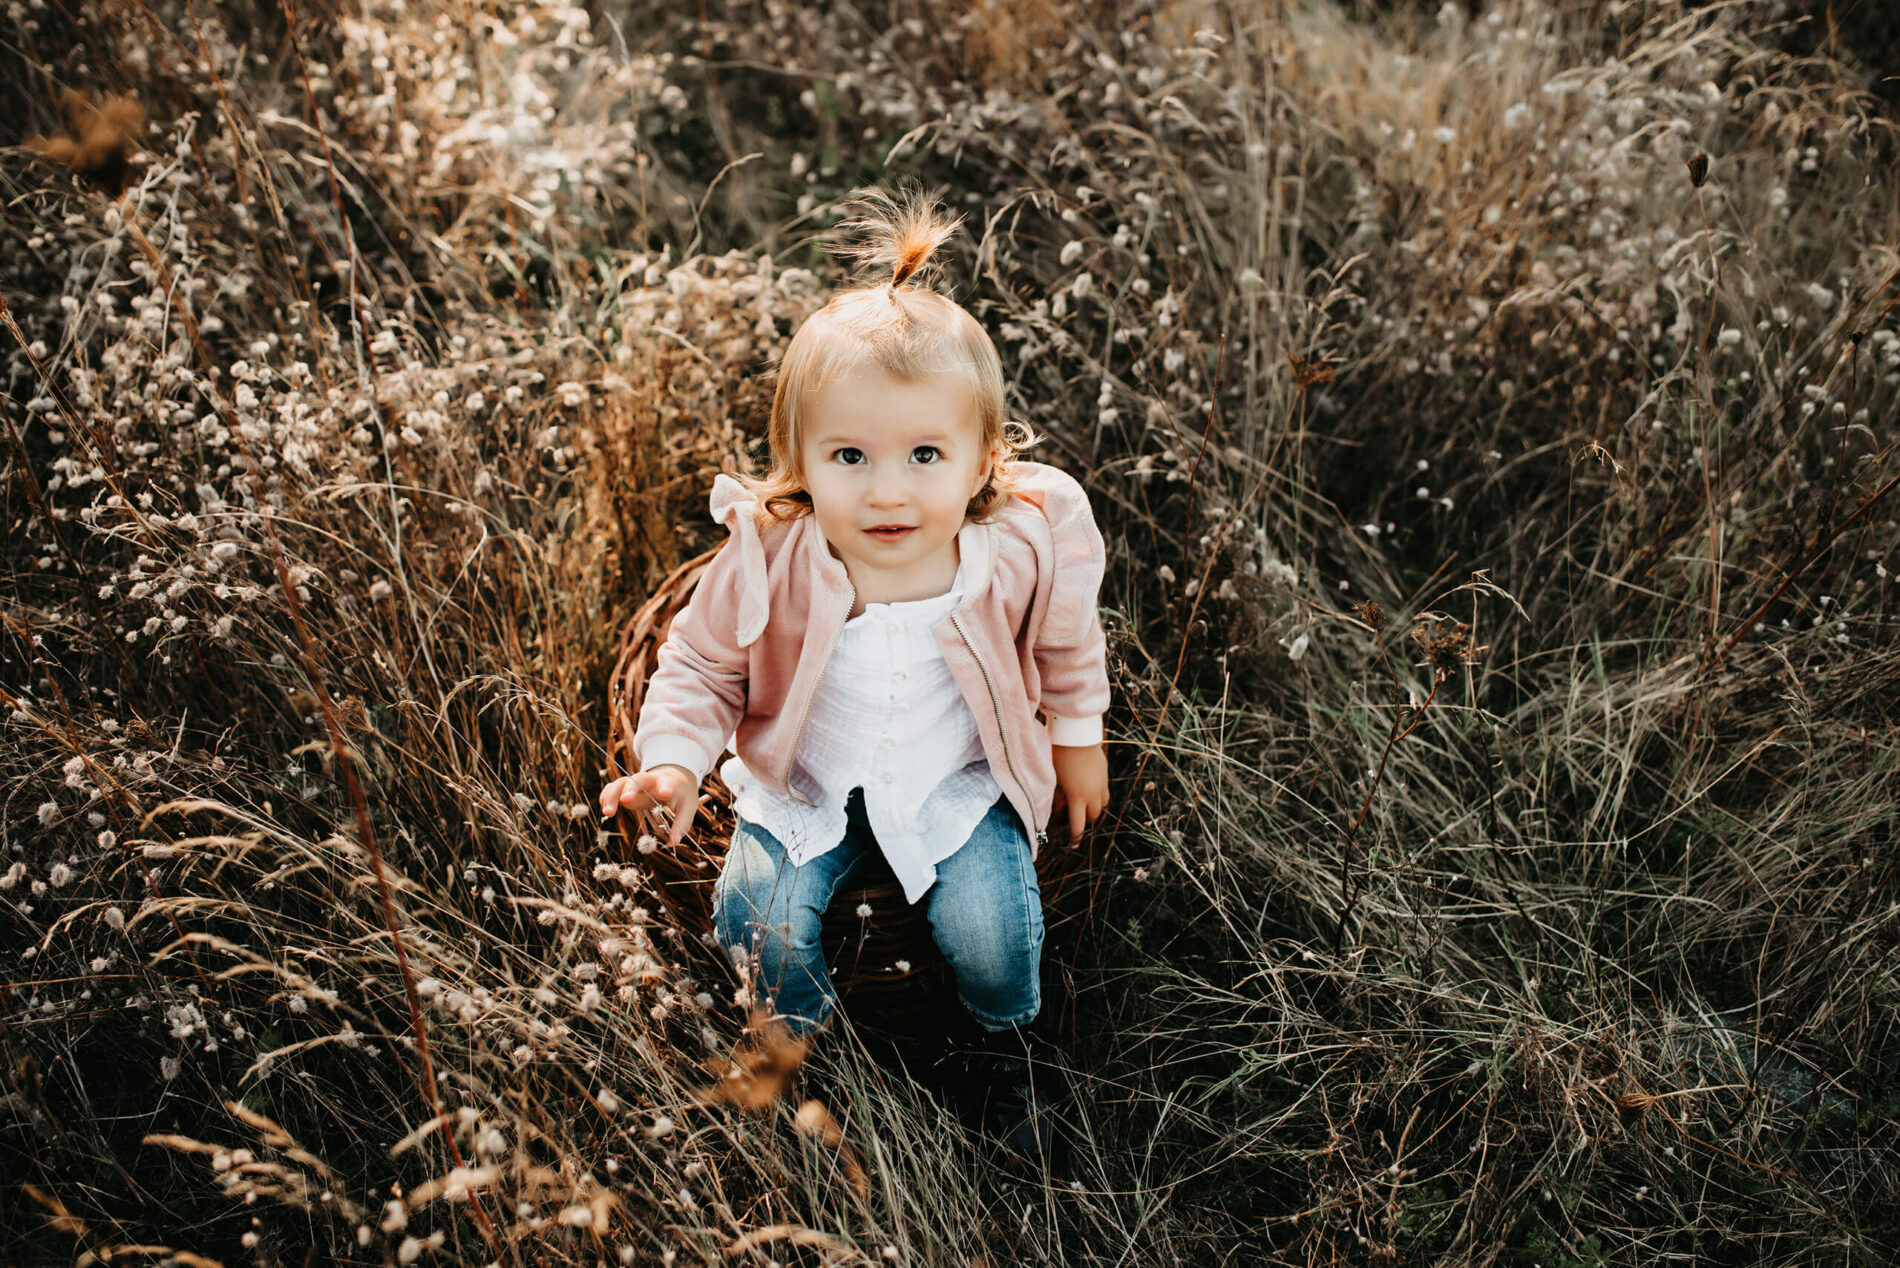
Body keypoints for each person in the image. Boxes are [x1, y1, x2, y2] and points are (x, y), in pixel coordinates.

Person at [598, 187, 1111, 1163]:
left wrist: (1077, 736)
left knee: (993, 927)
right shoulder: (773, 552)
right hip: (804, 781)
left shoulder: (1010, 551)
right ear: (797, 459)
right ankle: (790, 1051)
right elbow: (701, 664)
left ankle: (1005, 1049)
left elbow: (1064, 642)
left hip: (957, 781)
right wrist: (672, 763)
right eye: (848, 455)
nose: (886, 489)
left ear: (980, 462)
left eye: (925, 453)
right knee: (760, 921)